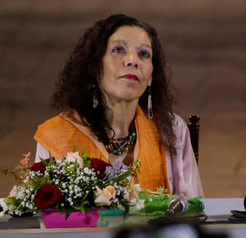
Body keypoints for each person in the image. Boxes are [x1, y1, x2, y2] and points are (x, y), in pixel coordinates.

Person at [34, 14, 203, 198]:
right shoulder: (56, 135)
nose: (132, 60)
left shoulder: (172, 130)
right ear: (95, 67)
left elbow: (192, 211)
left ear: (151, 77)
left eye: (144, 54)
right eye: (119, 49)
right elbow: (47, 219)